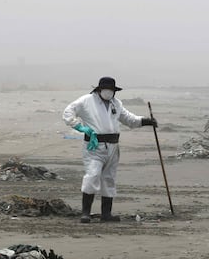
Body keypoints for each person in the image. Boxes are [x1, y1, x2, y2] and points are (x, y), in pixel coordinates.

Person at [63, 76, 157, 223]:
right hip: (94, 145)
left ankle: (106, 214)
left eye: (111, 90)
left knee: (109, 179)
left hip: (113, 146)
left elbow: (129, 119)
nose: (108, 92)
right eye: (106, 89)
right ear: (99, 89)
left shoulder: (116, 104)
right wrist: (80, 127)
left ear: (114, 91)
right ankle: (85, 213)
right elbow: (68, 112)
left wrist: (146, 121)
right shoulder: (86, 101)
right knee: (92, 175)